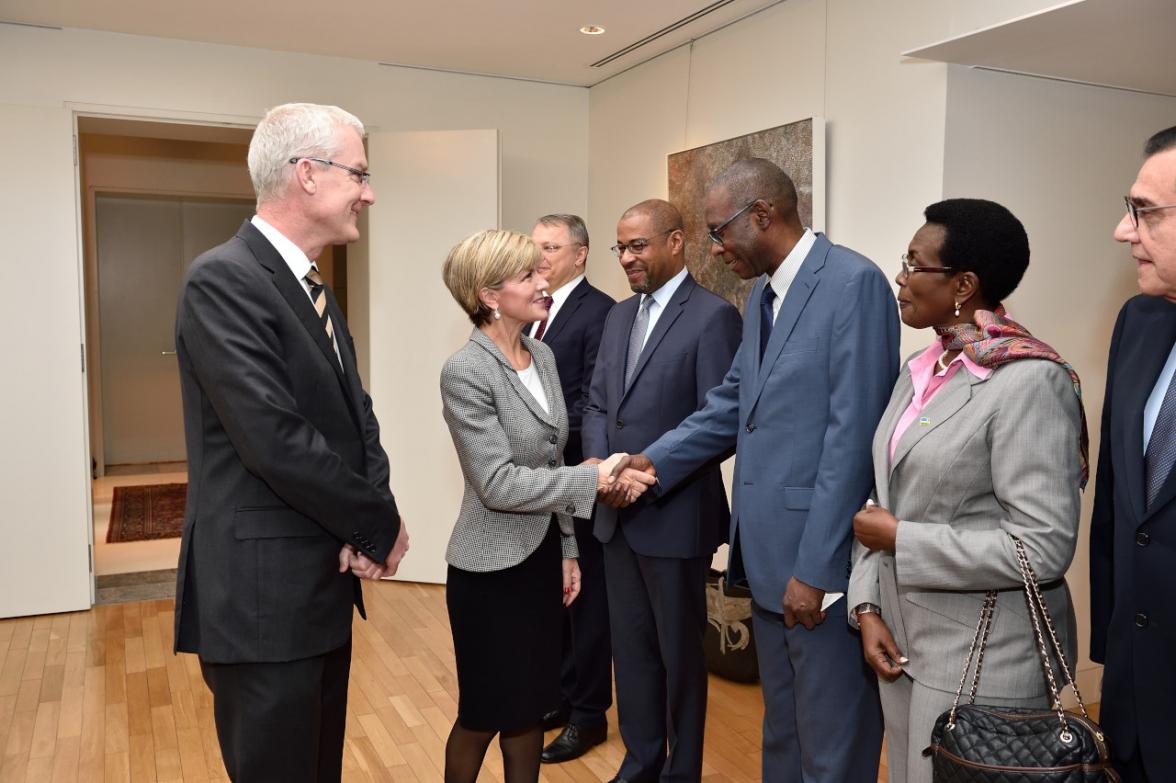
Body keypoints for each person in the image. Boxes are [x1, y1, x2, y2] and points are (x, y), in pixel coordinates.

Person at [626, 159, 897, 782]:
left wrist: (818, 569)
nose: (716, 250)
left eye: (720, 232)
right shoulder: (765, 296)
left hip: (814, 566)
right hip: (766, 559)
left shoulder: (853, 283)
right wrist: (651, 461)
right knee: (782, 733)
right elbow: (731, 403)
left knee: (831, 746)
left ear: (763, 216)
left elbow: (852, 438)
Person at [173, 102, 410, 782]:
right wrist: (376, 523)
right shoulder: (223, 280)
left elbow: (355, 419)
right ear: (307, 174)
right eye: (359, 173)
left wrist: (374, 511)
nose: (369, 190)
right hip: (262, 604)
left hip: (319, 591)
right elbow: (275, 439)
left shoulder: (315, 290)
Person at [848, 199, 1086, 783]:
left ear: (963, 285)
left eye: (913, 264)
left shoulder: (1030, 382)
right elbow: (883, 499)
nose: (899, 279)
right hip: (905, 642)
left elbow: (1042, 547)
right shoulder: (920, 369)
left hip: (988, 655)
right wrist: (868, 606)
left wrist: (904, 539)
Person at [438, 229, 653, 783]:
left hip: (540, 562)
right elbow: (499, 484)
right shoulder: (466, 372)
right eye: (529, 275)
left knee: (531, 707)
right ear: (489, 295)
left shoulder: (544, 354)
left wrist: (566, 550)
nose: (544, 282)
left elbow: (551, 455)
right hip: (488, 572)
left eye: (542, 270)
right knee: (485, 714)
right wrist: (593, 480)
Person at [581, 199, 741, 782]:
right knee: (633, 652)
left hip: (674, 515)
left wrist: (641, 475)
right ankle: (642, 761)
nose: (626, 258)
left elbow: (717, 421)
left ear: (677, 242)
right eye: (619, 247)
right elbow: (598, 401)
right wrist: (601, 464)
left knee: (679, 659)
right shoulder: (618, 317)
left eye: (638, 246)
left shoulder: (713, 317)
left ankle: (681, 771)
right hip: (614, 514)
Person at [1091, 125, 1176, 783]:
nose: (1124, 231)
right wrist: (1110, 663)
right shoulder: (1138, 321)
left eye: (1145, 212)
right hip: (1132, 706)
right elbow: (1119, 515)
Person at [527, 215, 617, 762]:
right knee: (553, 596)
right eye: (535, 246)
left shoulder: (599, 311)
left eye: (552, 247)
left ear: (580, 255)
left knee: (585, 602)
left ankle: (589, 715)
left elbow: (594, 400)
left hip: (578, 474)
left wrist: (546, 438)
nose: (540, 257)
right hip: (541, 481)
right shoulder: (531, 311)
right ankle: (559, 696)